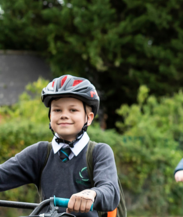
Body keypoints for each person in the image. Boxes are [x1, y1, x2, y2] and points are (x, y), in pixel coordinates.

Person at [0, 75, 121, 216]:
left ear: (89, 118)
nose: (64, 115)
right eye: (57, 110)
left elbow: (110, 191)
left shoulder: (99, 152)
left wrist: (92, 193)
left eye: (73, 110)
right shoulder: (40, 153)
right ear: (50, 116)